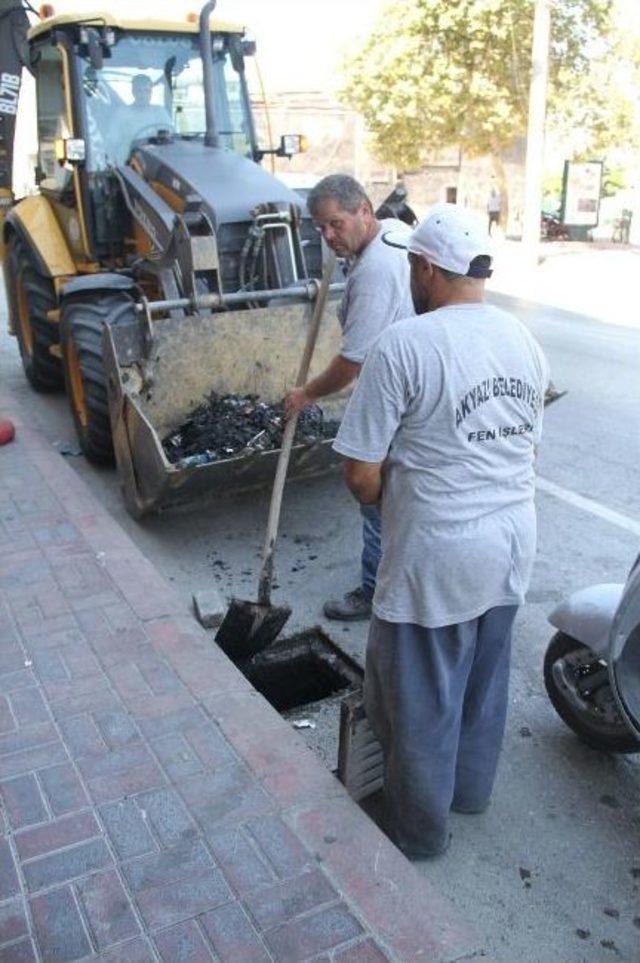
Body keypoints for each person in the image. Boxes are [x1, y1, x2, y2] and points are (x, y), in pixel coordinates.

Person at [332, 203, 549, 859]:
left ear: (426, 267)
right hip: (513, 544)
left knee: (420, 700)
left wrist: (385, 504)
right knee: (483, 683)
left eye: (411, 270)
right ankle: (470, 793)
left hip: (438, 553)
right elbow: (528, 450)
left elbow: (360, 473)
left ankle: (420, 834)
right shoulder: (524, 340)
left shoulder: (406, 344)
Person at [285, 174, 414, 621]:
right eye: (321, 229)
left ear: (364, 210)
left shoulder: (377, 271)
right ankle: (401, 582)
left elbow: (351, 363)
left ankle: (375, 593)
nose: (328, 236)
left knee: (374, 495)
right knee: (403, 498)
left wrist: (305, 394)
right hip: (415, 387)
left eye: (335, 224)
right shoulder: (393, 236)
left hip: (394, 398)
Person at [118, 74, 174, 161]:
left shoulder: (159, 111)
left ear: (151, 92)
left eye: (147, 91)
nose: (143, 95)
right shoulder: (123, 113)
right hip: (130, 158)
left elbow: (169, 134)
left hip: (157, 157)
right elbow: (113, 140)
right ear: (133, 92)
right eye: (139, 91)